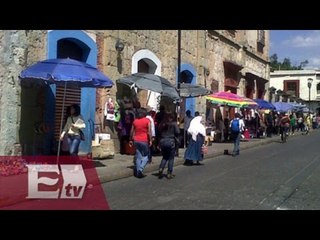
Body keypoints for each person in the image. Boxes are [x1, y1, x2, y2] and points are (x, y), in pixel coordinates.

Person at [129, 108, 152, 178]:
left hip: (136, 140)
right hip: (144, 140)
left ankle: (138, 170)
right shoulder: (147, 120)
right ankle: (140, 170)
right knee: (146, 156)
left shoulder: (135, 121)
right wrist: (150, 140)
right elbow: (149, 131)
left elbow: (132, 131)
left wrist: (130, 140)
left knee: (138, 156)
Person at [157, 113, 180, 179]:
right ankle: (169, 173)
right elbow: (178, 132)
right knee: (171, 158)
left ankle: (161, 168)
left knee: (164, 157)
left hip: (162, 141)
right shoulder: (173, 124)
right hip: (170, 141)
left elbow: (159, 132)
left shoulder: (162, 123)